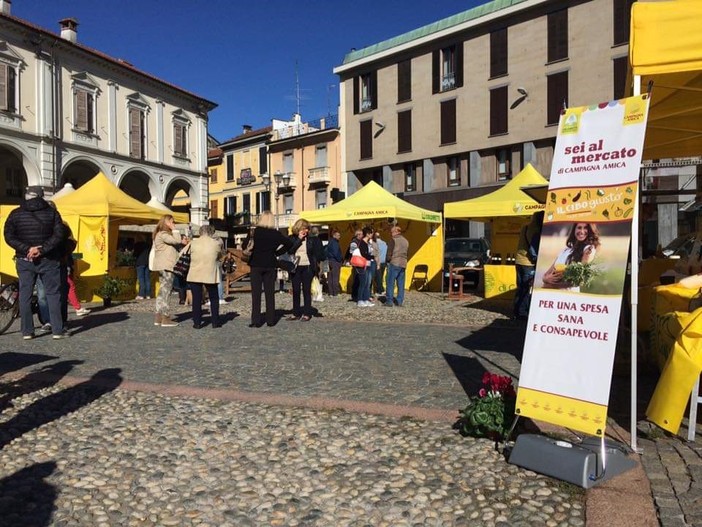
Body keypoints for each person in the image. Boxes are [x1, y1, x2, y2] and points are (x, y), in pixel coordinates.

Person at [3, 185, 68, 339]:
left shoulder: (15, 214)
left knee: (24, 294)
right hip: (49, 258)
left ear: (27, 196)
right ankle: (57, 330)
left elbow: (8, 236)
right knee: (53, 294)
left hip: (24, 259)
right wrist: (41, 249)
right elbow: (59, 235)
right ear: (41, 196)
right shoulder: (52, 213)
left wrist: (26, 249)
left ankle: (27, 331)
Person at [248, 211, 294, 327]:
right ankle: (270, 320)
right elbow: (289, 244)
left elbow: (245, 246)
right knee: (270, 293)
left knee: (256, 294)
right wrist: (277, 252)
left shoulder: (255, 232)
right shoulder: (276, 234)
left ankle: (256, 321)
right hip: (270, 264)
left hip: (256, 264)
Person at [542, 222, 600, 292]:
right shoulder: (566, 250)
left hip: (568, 296)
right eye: (579, 228)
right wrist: (545, 279)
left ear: (590, 230)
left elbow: (579, 280)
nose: (582, 231)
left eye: (585, 228)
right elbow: (546, 274)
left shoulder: (588, 250)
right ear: (574, 230)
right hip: (551, 294)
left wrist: (552, 285)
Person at [186, 225, 225, 329]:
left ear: (200, 232)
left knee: (197, 299)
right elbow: (220, 256)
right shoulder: (216, 243)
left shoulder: (193, 243)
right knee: (214, 297)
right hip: (210, 273)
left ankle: (197, 323)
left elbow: (186, 253)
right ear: (210, 233)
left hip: (195, 273)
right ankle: (215, 322)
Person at [151, 214, 187, 327]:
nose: (174, 223)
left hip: (163, 265)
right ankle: (165, 318)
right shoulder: (162, 234)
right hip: (166, 266)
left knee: (162, 291)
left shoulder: (161, 235)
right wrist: (175, 230)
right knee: (166, 291)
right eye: (172, 222)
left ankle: (158, 317)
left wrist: (182, 243)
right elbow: (176, 241)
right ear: (166, 222)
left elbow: (174, 246)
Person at [286, 218, 324, 321]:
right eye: (304, 228)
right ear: (298, 228)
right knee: (296, 290)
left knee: (307, 290)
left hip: (308, 266)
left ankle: (307, 313)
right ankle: (296, 313)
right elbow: (290, 251)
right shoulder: (292, 238)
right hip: (296, 267)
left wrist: (318, 265)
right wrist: (299, 239)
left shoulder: (312, 239)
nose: (306, 230)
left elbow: (318, 253)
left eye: (307, 228)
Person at [513, 211, 544, 320]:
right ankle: (522, 313)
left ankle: (516, 311)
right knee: (526, 289)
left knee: (520, 287)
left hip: (519, 261)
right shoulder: (535, 230)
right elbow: (533, 250)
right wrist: (538, 262)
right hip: (528, 263)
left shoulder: (525, 227)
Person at [385, 225, 409, 307]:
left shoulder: (393, 240)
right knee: (401, 284)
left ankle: (389, 301)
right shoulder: (406, 241)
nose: (391, 234)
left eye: (392, 232)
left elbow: (389, 252)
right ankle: (399, 301)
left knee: (390, 283)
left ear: (396, 232)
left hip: (394, 262)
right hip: (403, 264)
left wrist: (387, 261)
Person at [354, 226, 374, 307]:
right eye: (371, 233)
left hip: (368, 264)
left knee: (367, 283)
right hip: (363, 265)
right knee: (362, 283)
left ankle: (366, 299)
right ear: (368, 234)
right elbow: (364, 255)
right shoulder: (362, 243)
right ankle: (360, 300)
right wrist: (372, 257)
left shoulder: (367, 243)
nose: (372, 235)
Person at [308, 225, 326, 302]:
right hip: (316, 261)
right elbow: (320, 251)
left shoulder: (308, 239)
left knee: (310, 279)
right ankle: (317, 295)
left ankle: (312, 294)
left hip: (309, 261)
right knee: (316, 278)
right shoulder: (318, 240)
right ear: (317, 232)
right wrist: (322, 259)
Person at [326, 228, 343, 296]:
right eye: (338, 235)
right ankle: (336, 292)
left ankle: (330, 292)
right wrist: (340, 260)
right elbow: (336, 253)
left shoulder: (330, 241)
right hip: (335, 261)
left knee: (330, 277)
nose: (339, 237)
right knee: (335, 277)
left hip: (329, 260)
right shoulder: (335, 242)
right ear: (334, 235)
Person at [348, 229, 363, 302]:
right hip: (356, 262)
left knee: (360, 279)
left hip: (360, 262)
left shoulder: (360, 242)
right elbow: (352, 252)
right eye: (361, 234)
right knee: (356, 279)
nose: (362, 236)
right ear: (358, 235)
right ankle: (354, 295)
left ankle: (358, 295)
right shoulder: (354, 243)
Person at [373, 231, 388, 295]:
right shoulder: (385, 243)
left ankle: (380, 290)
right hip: (384, 262)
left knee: (377, 277)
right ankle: (380, 289)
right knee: (380, 277)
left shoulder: (375, 244)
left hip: (378, 262)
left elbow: (375, 254)